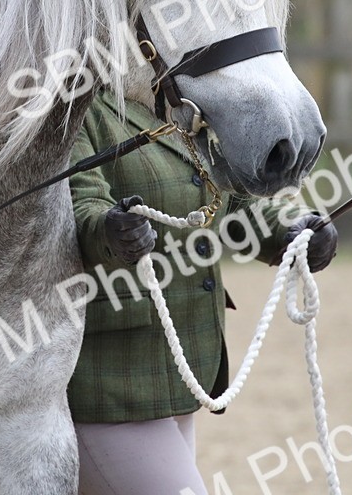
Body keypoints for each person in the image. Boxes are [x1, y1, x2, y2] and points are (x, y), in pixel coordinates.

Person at [68, 88, 338, 495]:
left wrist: (292, 231)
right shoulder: (78, 109)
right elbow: (81, 208)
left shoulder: (179, 101)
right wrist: (111, 230)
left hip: (179, 371)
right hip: (113, 382)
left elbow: (232, 206)